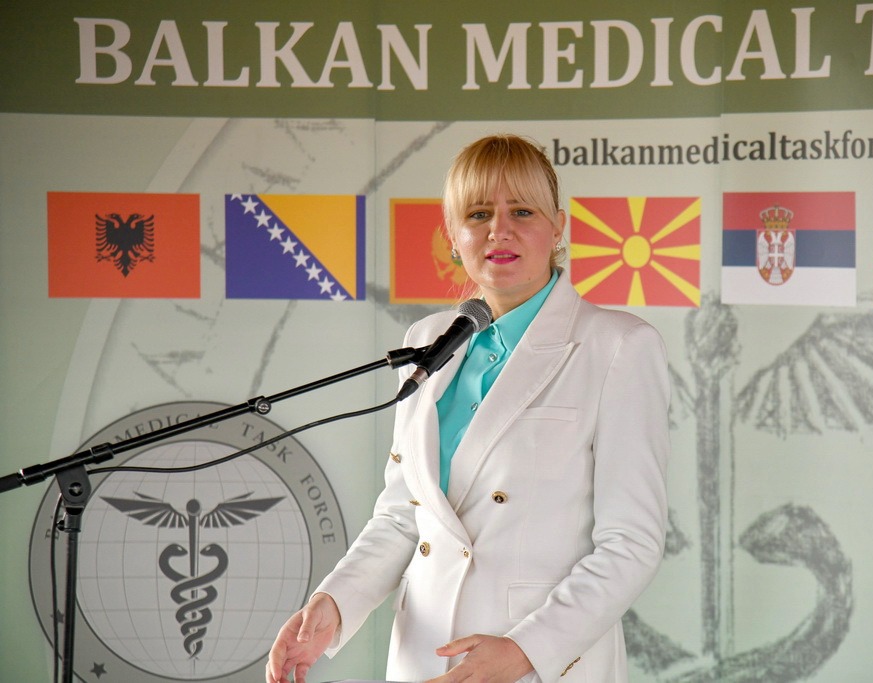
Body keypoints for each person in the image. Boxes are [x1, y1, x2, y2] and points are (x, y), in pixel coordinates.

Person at [266, 134, 670, 683]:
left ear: (558, 227)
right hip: (425, 655)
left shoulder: (619, 346)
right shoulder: (428, 340)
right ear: (453, 237)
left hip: (540, 664)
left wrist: (526, 650)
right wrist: (333, 605)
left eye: (521, 211)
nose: (498, 230)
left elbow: (631, 544)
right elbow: (403, 514)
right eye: (478, 214)